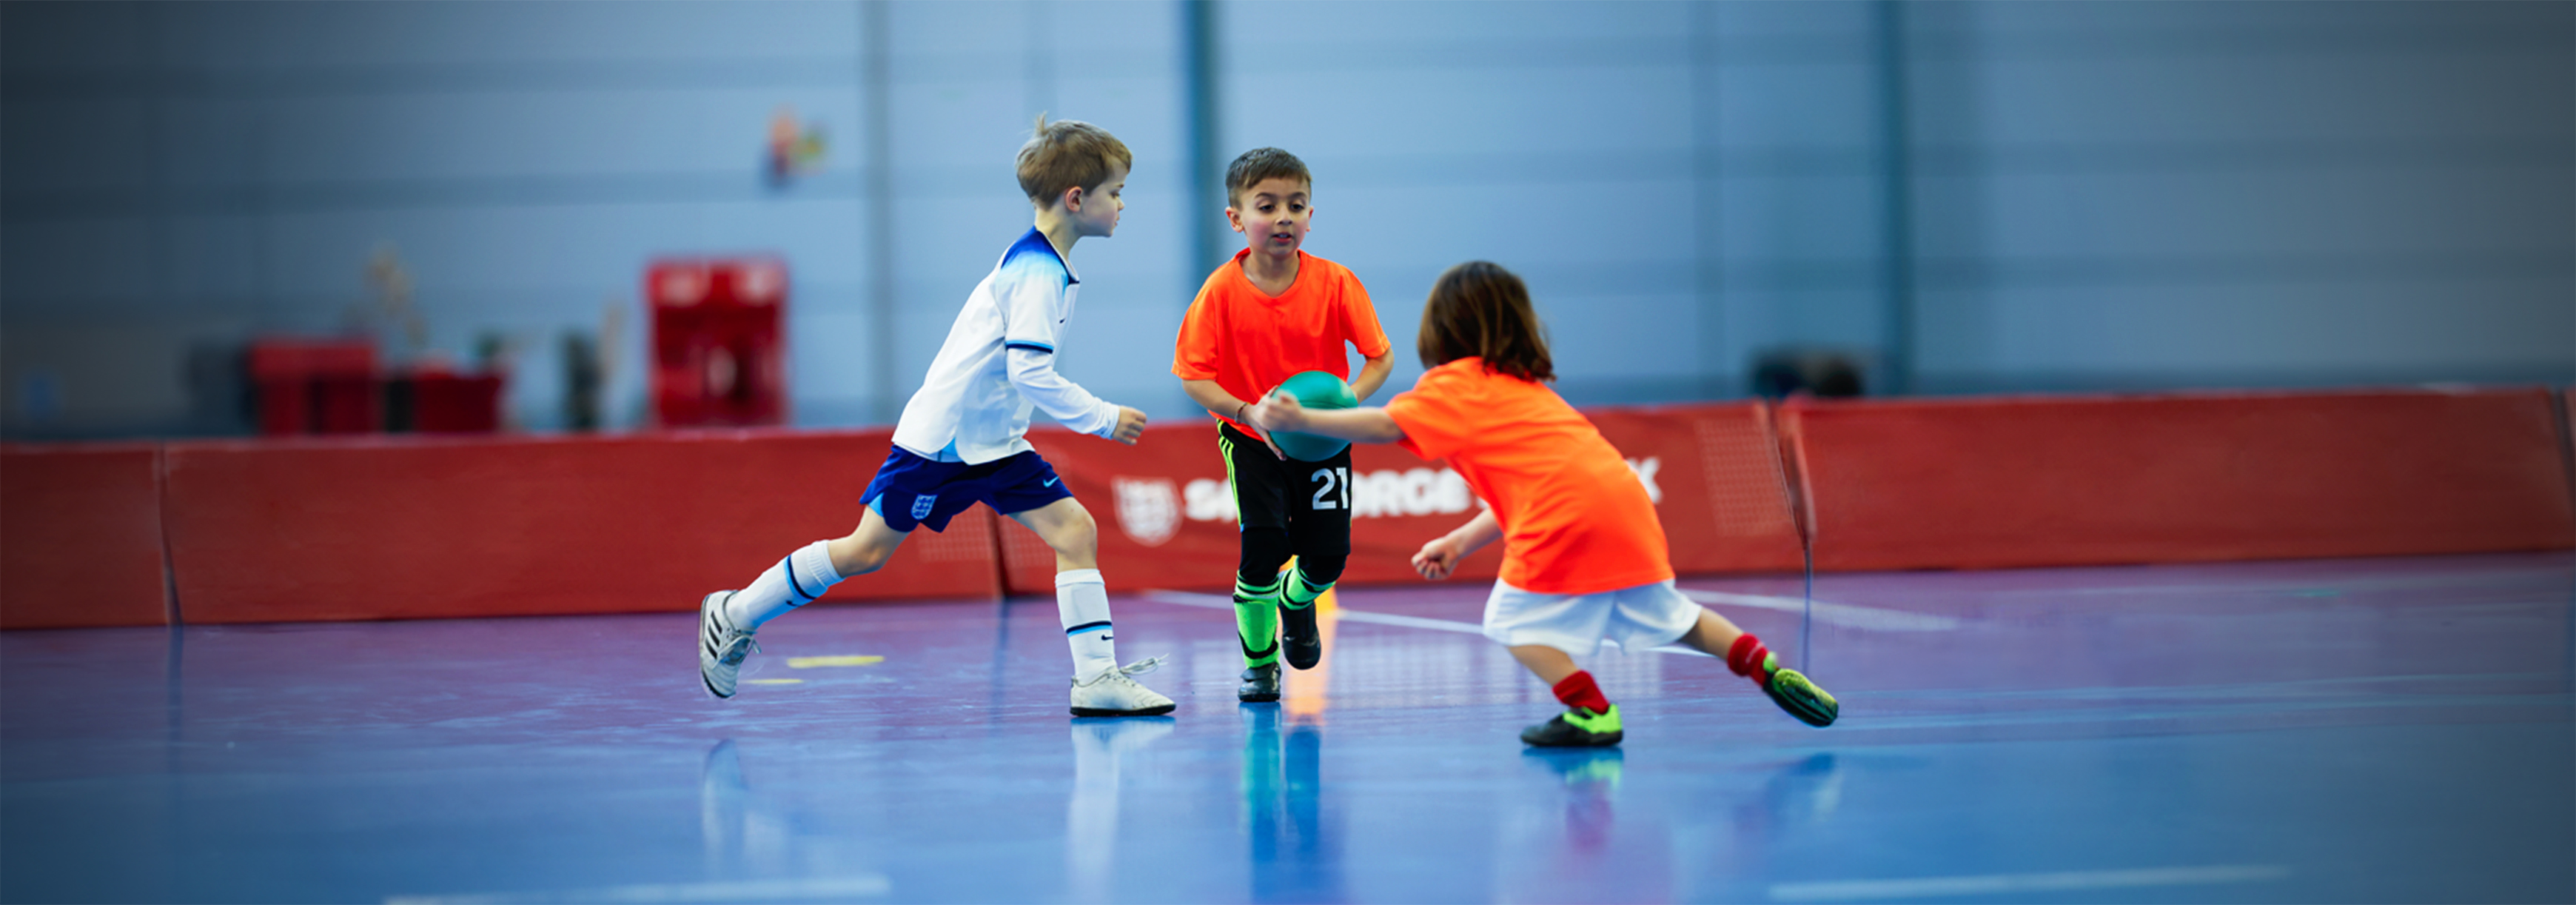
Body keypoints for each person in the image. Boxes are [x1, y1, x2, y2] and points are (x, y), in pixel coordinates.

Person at [1247, 261, 1838, 746]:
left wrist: (1303, 418)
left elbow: (1377, 423)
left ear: (1440, 330)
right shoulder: (1528, 389)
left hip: (1567, 515)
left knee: (1507, 622)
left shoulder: (1451, 387)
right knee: (1676, 618)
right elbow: (1535, 489)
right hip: (1625, 504)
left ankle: (1591, 711)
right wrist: (1459, 540)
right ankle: (1764, 665)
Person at [698, 116, 1173, 718]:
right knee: (864, 552)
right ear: (1076, 200)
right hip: (942, 443)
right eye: (1116, 192)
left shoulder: (1047, 262)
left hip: (994, 444)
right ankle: (734, 612)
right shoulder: (1036, 274)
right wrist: (1103, 418)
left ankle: (1098, 678)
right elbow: (1030, 373)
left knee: (1075, 531)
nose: (1122, 204)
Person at [1173, 147, 1395, 703]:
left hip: (1322, 442)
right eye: (1267, 206)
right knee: (1263, 548)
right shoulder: (1220, 292)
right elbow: (1192, 378)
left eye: (1296, 205)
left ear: (1311, 216)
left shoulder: (1337, 283)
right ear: (1237, 219)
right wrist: (1248, 413)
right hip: (1252, 440)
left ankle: (1298, 604)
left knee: (1328, 558)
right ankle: (1260, 663)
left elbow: (1379, 357)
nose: (1283, 218)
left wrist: (1342, 408)